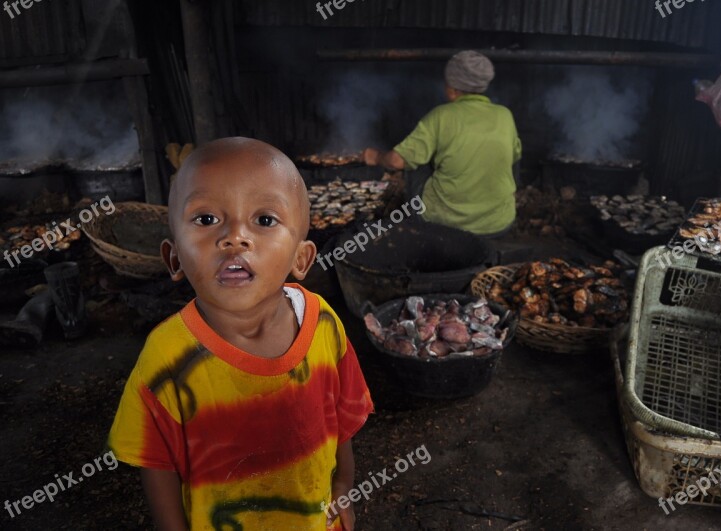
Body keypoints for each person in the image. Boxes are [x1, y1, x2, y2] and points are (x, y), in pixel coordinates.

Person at [107, 137, 373, 530]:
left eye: (264, 220)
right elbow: (156, 463)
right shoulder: (167, 355)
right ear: (174, 257)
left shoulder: (322, 323)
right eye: (206, 219)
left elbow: (342, 418)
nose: (234, 237)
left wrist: (344, 485)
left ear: (301, 258)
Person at [363, 50, 522, 237]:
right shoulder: (505, 115)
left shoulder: (441, 115)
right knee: (509, 153)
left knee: (415, 162)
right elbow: (515, 156)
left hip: (446, 223)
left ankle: (421, 228)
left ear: (453, 90)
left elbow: (397, 161)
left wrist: (375, 156)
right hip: (498, 223)